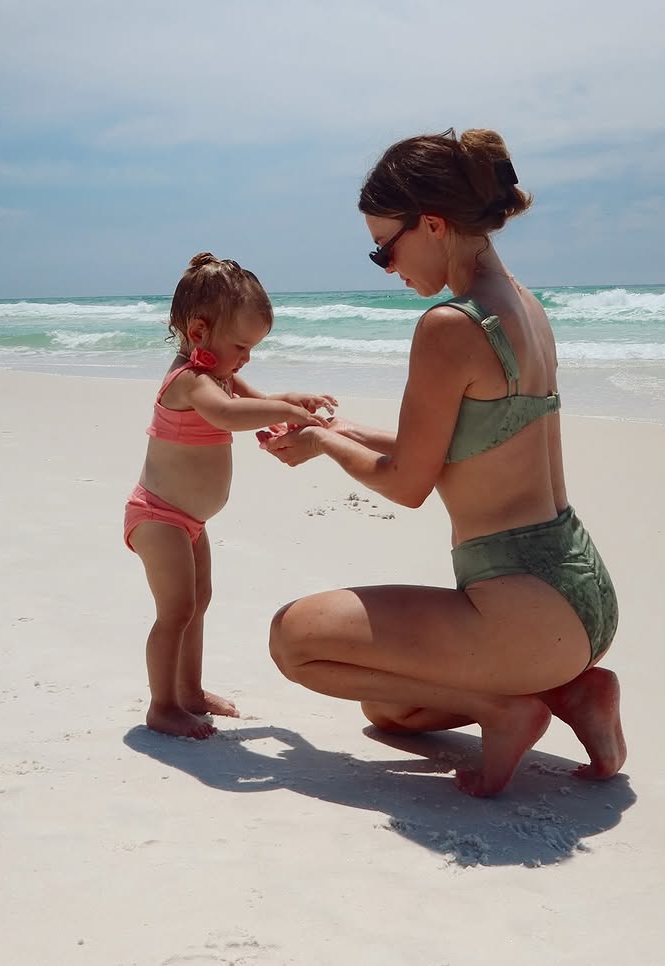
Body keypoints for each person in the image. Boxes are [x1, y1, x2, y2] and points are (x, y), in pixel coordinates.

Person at [261, 128, 623, 799]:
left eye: (384, 247)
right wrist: (337, 428)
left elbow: (408, 484)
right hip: (581, 592)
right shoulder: (524, 306)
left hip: (522, 608)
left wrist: (321, 447)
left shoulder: (450, 325)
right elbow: (459, 443)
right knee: (390, 709)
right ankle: (570, 690)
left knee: (294, 640)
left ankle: (504, 709)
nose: (385, 265)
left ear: (431, 225)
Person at [125, 253, 335, 739]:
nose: (246, 358)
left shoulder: (218, 373)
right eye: (241, 346)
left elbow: (252, 401)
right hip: (158, 516)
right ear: (199, 332)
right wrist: (281, 411)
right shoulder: (190, 381)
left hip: (190, 520)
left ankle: (190, 692)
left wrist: (289, 403)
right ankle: (161, 706)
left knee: (198, 604)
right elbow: (226, 414)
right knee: (176, 611)